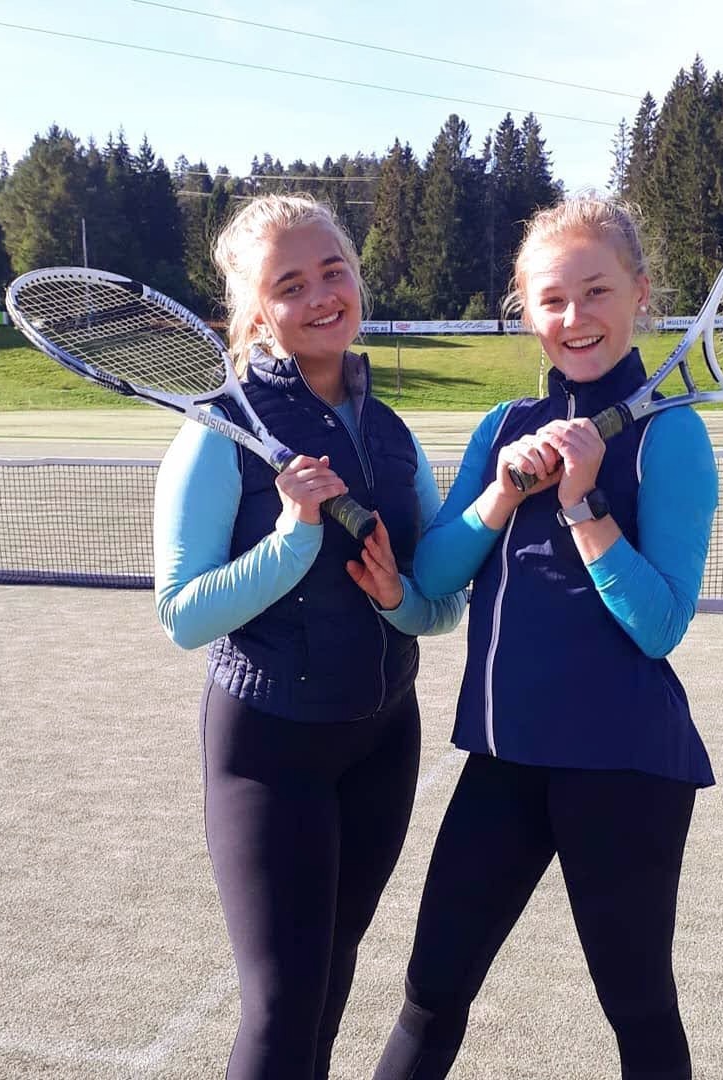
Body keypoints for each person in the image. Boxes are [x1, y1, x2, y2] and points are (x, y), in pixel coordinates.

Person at [373, 194, 718, 1080]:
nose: (575, 317)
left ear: (640, 293)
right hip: (504, 760)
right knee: (430, 992)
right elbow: (435, 578)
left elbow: (660, 626)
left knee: (638, 1007)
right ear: (526, 312)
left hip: (626, 769)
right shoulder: (501, 428)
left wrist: (582, 504)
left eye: (596, 291)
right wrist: (501, 493)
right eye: (553, 299)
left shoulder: (671, 437)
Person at [152, 193, 466, 1080]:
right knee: (283, 1009)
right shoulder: (219, 430)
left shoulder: (394, 436)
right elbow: (183, 615)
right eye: (291, 284)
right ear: (255, 311)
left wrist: (399, 597)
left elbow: (439, 604)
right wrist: (293, 538)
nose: (323, 294)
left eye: (334, 271)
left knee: (329, 983)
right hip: (270, 750)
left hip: (383, 740)